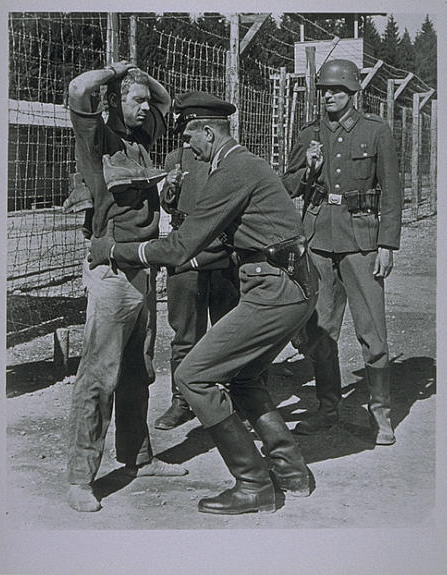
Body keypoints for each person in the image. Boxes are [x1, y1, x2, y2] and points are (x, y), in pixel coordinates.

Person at [89, 91, 319, 516]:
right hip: (287, 283)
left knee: (194, 376)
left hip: (275, 289)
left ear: (208, 133)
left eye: (189, 138)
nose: (187, 148)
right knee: (245, 378)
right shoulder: (238, 164)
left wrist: (117, 250)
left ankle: (254, 484)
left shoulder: (232, 170)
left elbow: (181, 246)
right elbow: (215, 246)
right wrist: (183, 256)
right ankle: (291, 472)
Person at [66, 60, 187, 513]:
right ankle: (81, 479)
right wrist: (117, 71)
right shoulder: (96, 140)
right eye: (135, 101)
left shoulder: (141, 140)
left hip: (142, 269)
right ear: (114, 102)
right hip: (113, 274)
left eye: (144, 102)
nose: (145, 108)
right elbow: (78, 89)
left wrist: (139, 77)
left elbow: (165, 101)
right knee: (99, 376)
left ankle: (137, 457)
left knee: (138, 369)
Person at [282, 59, 402, 445]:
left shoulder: (375, 131)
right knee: (319, 330)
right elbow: (287, 186)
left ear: (353, 92)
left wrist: (387, 244)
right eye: (324, 91)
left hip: (362, 243)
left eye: (336, 90)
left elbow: (392, 194)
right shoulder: (309, 134)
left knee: (373, 332)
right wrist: (309, 169)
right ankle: (327, 408)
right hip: (318, 240)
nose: (329, 96)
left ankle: (380, 414)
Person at [154, 145, 240, 430]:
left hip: (223, 253)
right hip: (185, 251)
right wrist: (170, 187)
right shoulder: (176, 157)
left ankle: (232, 395)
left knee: (229, 330)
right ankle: (182, 400)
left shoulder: (231, 156)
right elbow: (168, 205)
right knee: (185, 333)